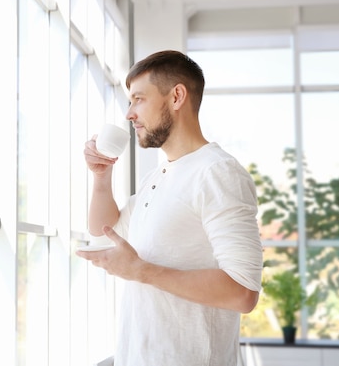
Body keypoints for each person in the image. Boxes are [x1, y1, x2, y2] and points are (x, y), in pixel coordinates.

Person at [77, 50, 263, 366]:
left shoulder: (217, 173)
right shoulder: (160, 175)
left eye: (138, 99)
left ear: (176, 97)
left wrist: (140, 271)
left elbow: (242, 292)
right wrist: (101, 178)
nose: (129, 114)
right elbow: (105, 232)